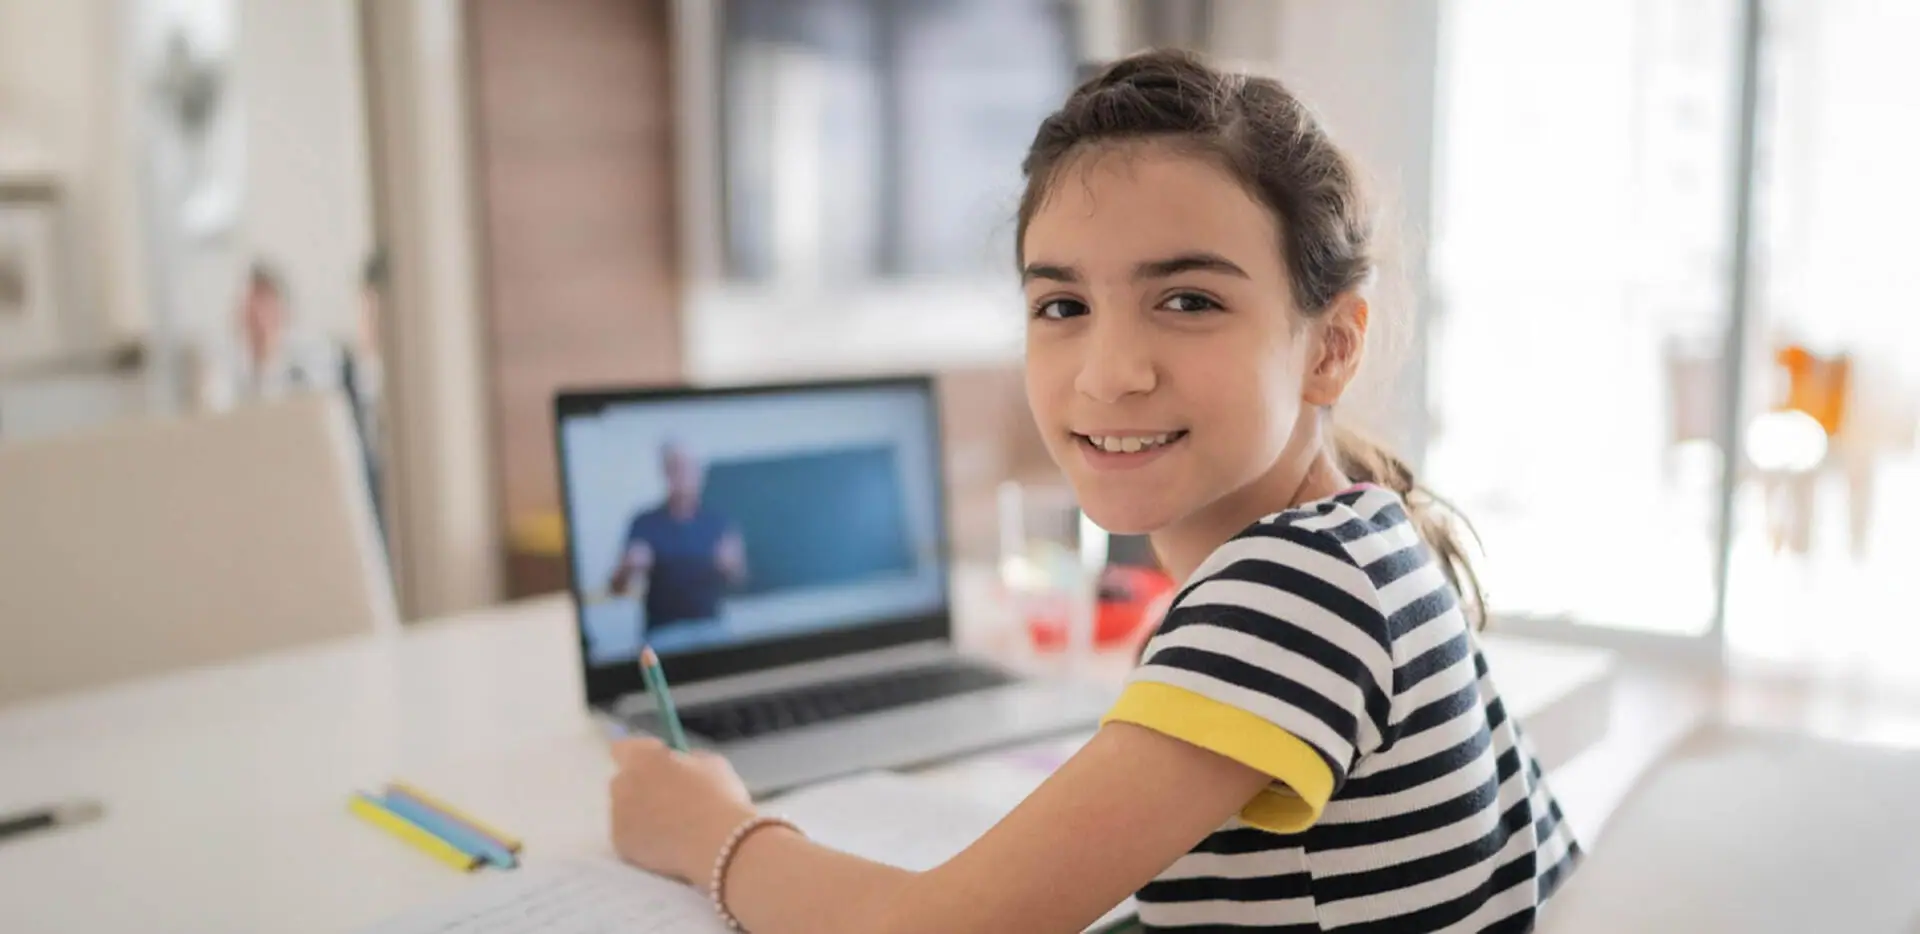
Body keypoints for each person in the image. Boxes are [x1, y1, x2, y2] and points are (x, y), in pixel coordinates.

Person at [605, 49, 1579, 933]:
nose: (1110, 373)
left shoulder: (1294, 596)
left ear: (1330, 346)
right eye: (1062, 305)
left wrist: (711, 833)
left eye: (1188, 300)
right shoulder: (1358, 539)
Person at [608, 443, 748, 639]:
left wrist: (732, 566)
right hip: (663, 633)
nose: (682, 475)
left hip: (710, 627)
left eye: (688, 468)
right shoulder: (644, 522)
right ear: (665, 473)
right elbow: (616, 589)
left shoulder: (719, 521)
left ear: (699, 473)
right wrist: (628, 567)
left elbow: (740, 582)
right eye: (675, 468)